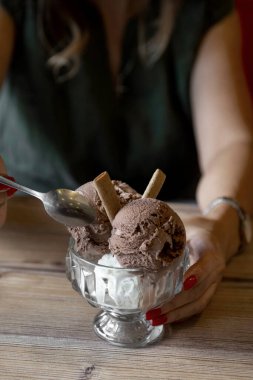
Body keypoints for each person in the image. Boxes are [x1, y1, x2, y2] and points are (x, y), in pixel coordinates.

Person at [0, 0, 253, 326]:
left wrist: (221, 222)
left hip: (168, 248)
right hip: (31, 249)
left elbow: (232, 143)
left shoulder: (200, 10)